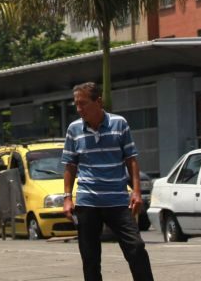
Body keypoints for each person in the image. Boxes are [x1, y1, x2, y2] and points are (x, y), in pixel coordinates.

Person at [62, 82, 154, 281]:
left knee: (136, 248)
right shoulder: (74, 129)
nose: (79, 109)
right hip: (88, 203)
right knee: (90, 257)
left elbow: (131, 159)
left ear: (98, 101)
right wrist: (67, 198)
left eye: (83, 103)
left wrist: (136, 192)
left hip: (117, 201)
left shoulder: (119, 124)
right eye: (76, 104)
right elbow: (70, 165)